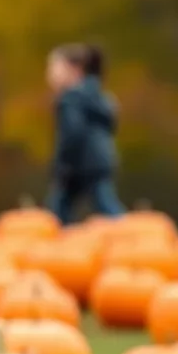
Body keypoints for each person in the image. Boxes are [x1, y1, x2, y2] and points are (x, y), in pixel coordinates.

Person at [45, 43, 125, 224]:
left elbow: (72, 134)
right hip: (101, 160)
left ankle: (127, 234)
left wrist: (62, 164)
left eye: (54, 68)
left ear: (74, 70)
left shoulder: (70, 99)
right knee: (100, 201)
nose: (49, 75)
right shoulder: (98, 96)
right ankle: (124, 231)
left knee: (60, 208)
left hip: (80, 163)